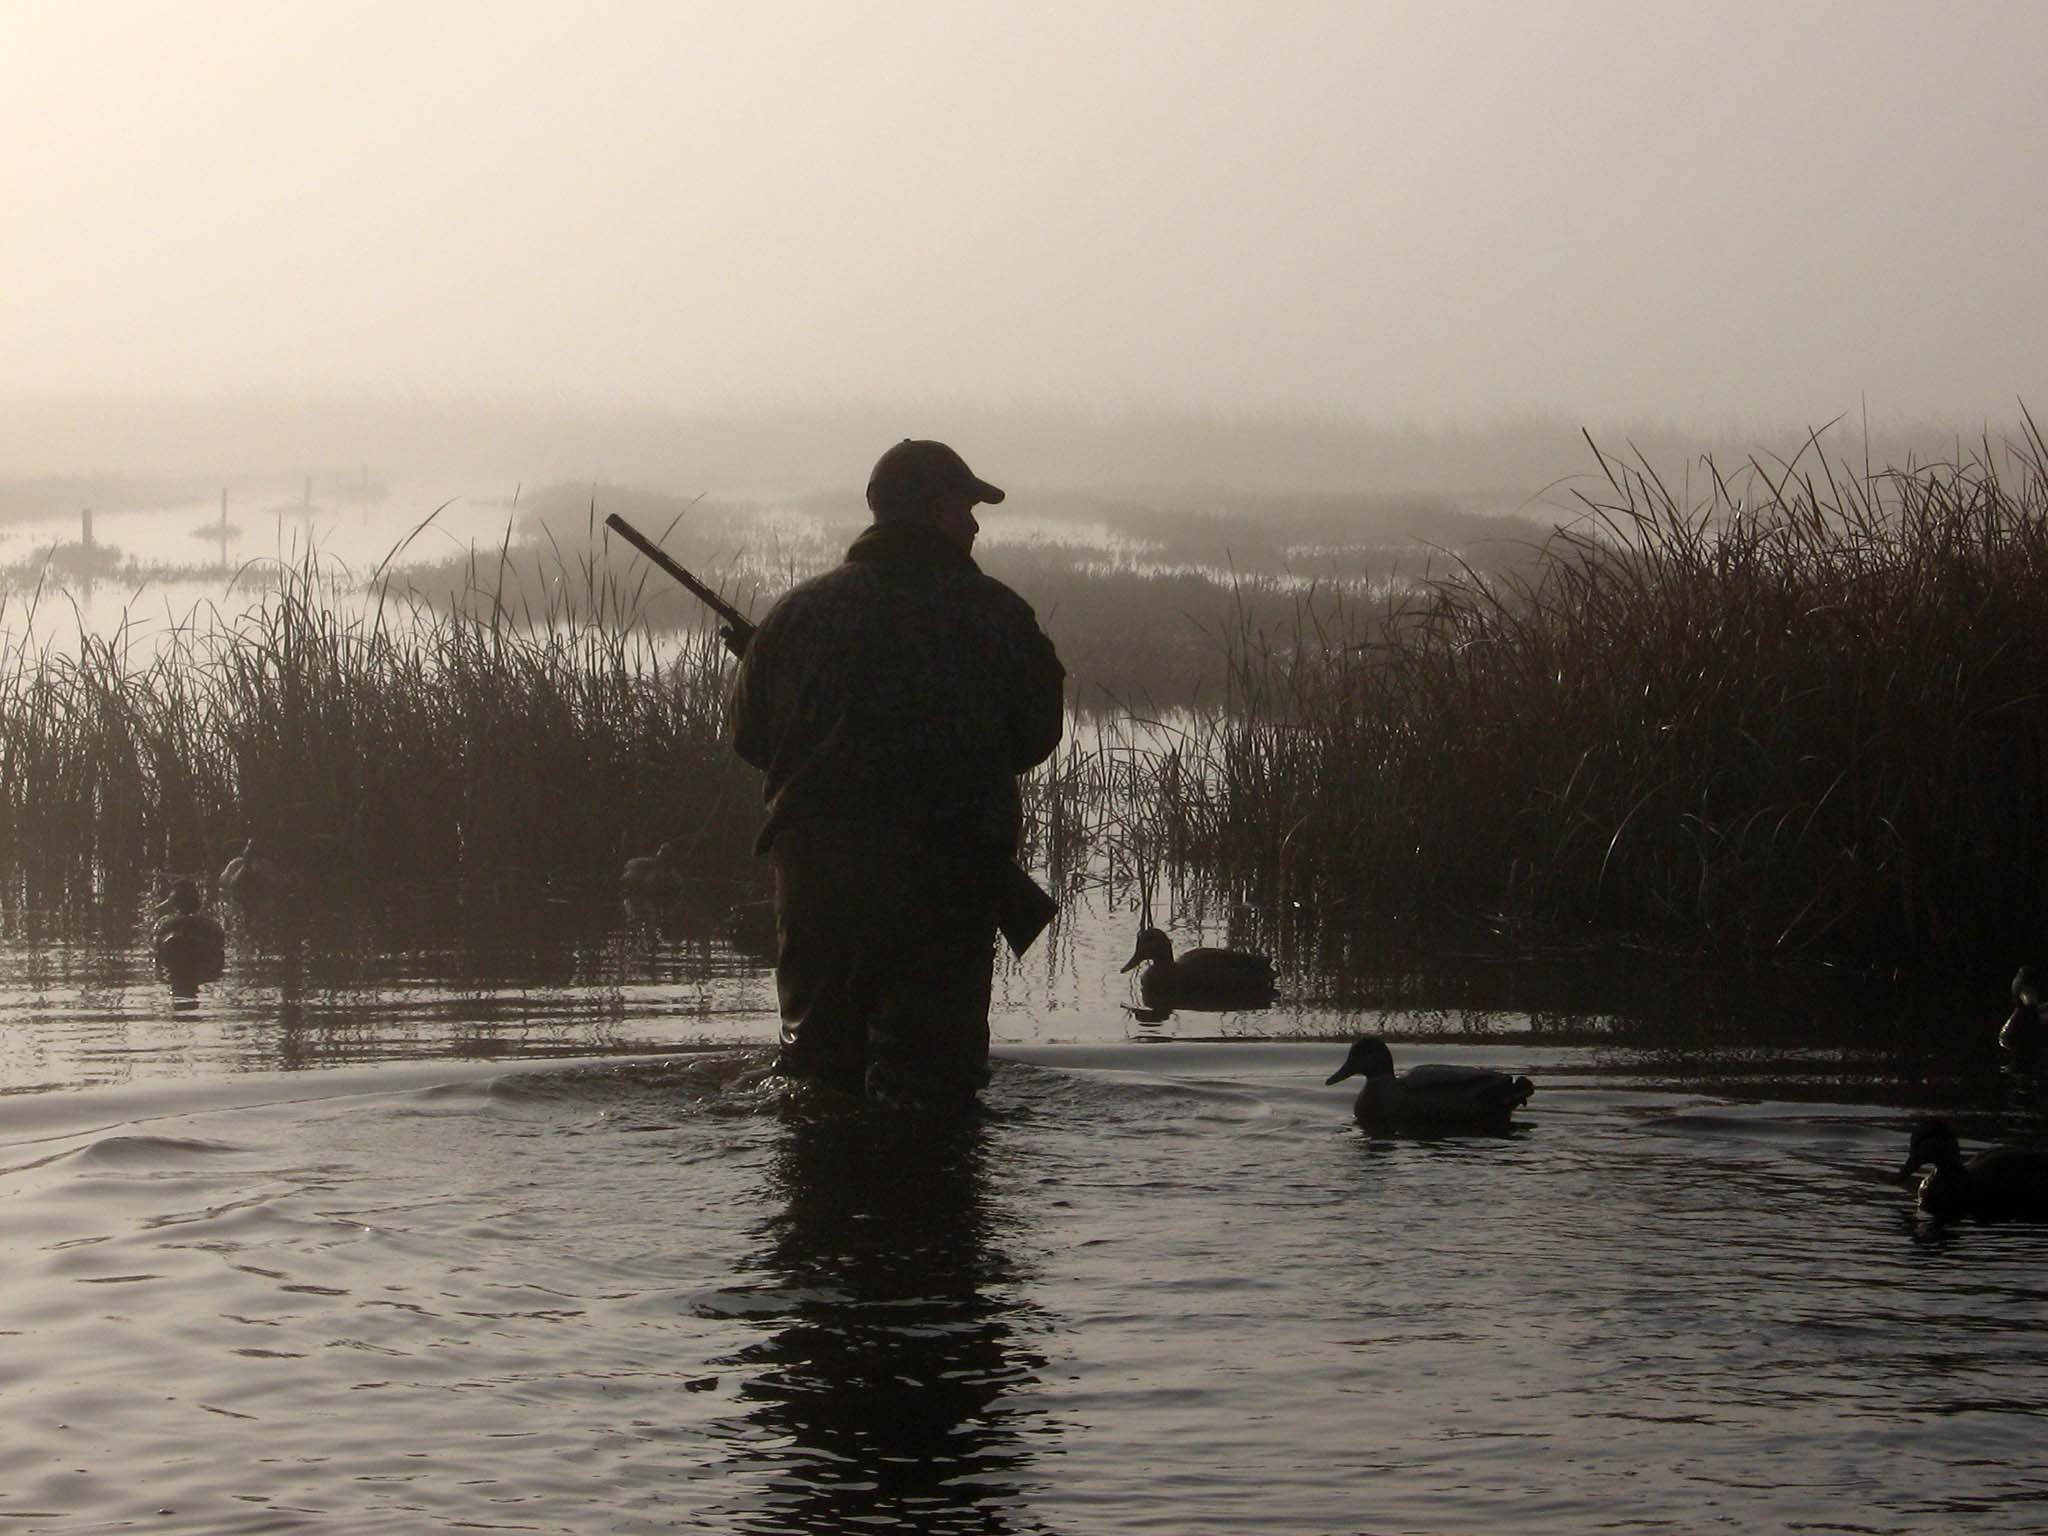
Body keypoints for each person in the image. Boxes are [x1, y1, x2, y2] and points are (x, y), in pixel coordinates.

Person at [730, 439, 1066, 1110]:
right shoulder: (999, 615)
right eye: (967, 507)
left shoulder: (797, 616)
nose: (974, 525)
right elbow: (1036, 738)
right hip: (946, 887)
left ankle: (822, 1205)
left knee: (814, 1082)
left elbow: (754, 740)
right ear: (936, 510)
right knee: (935, 1088)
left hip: (820, 882)